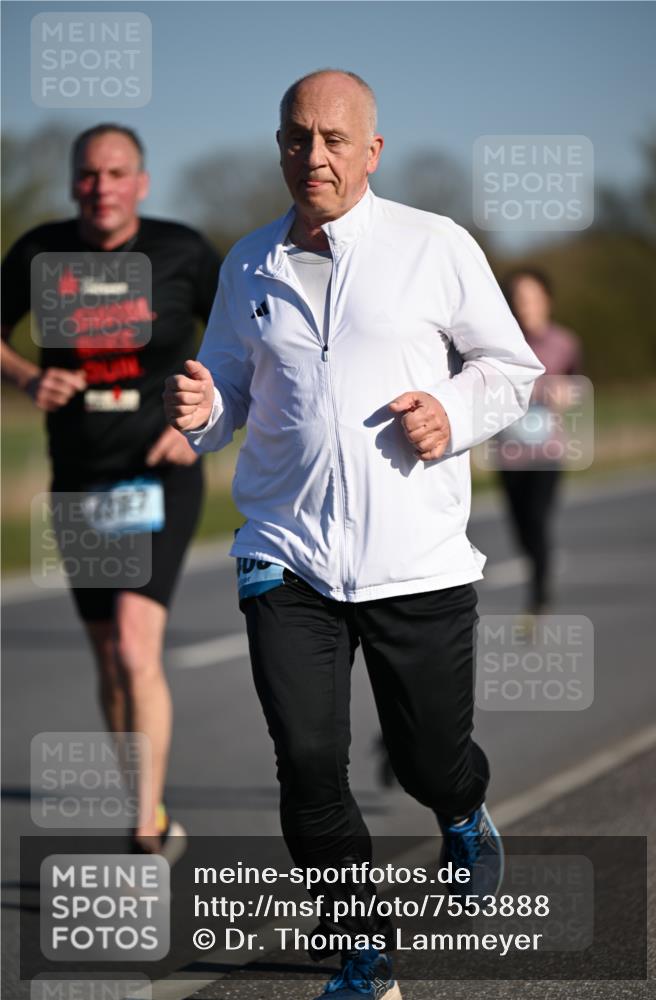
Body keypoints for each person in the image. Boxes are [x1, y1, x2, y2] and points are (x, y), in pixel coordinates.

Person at [164, 70, 543, 998]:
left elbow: (512, 368)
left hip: (414, 559)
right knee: (306, 763)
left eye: (334, 139)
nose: (314, 155)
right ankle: (361, 955)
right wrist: (204, 408)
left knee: (427, 759)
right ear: (279, 144)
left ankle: (461, 812)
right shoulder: (248, 261)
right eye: (297, 137)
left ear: (371, 150)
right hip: (285, 555)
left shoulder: (433, 245)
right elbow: (226, 393)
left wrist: (450, 413)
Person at [1, 124, 222, 856]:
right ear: (74, 182)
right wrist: (29, 374)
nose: (102, 187)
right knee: (107, 655)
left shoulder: (184, 250)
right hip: (83, 477)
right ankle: (146, 804)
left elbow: (244, 345)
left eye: (117, 172)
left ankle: (143, 824)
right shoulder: (38, 251)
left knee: (134, 644)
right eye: (89, 174)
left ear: (142, 181)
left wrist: (198, 425)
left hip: (162, 469)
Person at [499, 268, 583, 614]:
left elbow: (580, 386)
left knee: (537, 517)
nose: (525, 307)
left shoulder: (565, 343)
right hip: (509, 452)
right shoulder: (503, 344)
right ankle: (538, 569)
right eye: (519, 300)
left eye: (532, 298)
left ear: (546, 300)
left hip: (548, 450)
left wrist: (569, 394)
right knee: (520, 526)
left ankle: (539, 591)